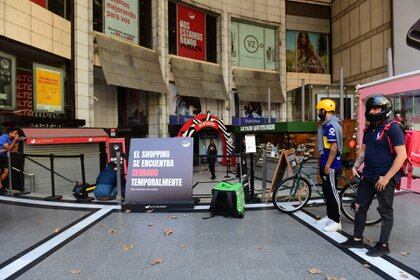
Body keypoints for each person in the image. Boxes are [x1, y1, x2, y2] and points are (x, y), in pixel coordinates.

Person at [339, 95, 407, 257]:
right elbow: (363, 150)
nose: (372, 111)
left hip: (384, 177)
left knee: (385, 211)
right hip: (368, 175)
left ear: (384, 110)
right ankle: (357, 239)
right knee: (359, 206)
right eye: (370, 108)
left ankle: (383, 245)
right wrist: (356, 166)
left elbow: (401, 156)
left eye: (375, 108)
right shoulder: (370, 128)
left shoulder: (394, 128)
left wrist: (387, 177)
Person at [316, 99, 343, 232]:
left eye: (319, 110)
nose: (318, 113)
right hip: (326, 162)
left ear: (324, 110)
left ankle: (337, 221)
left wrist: (327, 164)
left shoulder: (331, 125)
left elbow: (334, 147)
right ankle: (330, 217)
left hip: (331, 164)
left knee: (332, 192)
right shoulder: (326, 124)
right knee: (327, 192)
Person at [0, 128, 19, 194]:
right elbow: (8, 148)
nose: (16, 134)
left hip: (5, 156)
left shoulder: (14, 139)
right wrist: (14, 141)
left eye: (17, 133)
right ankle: (1, 188)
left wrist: (15, 141)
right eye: (15, 133)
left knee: (6, 172)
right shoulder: (4, 137)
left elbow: (15, 149)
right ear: (10, 133)